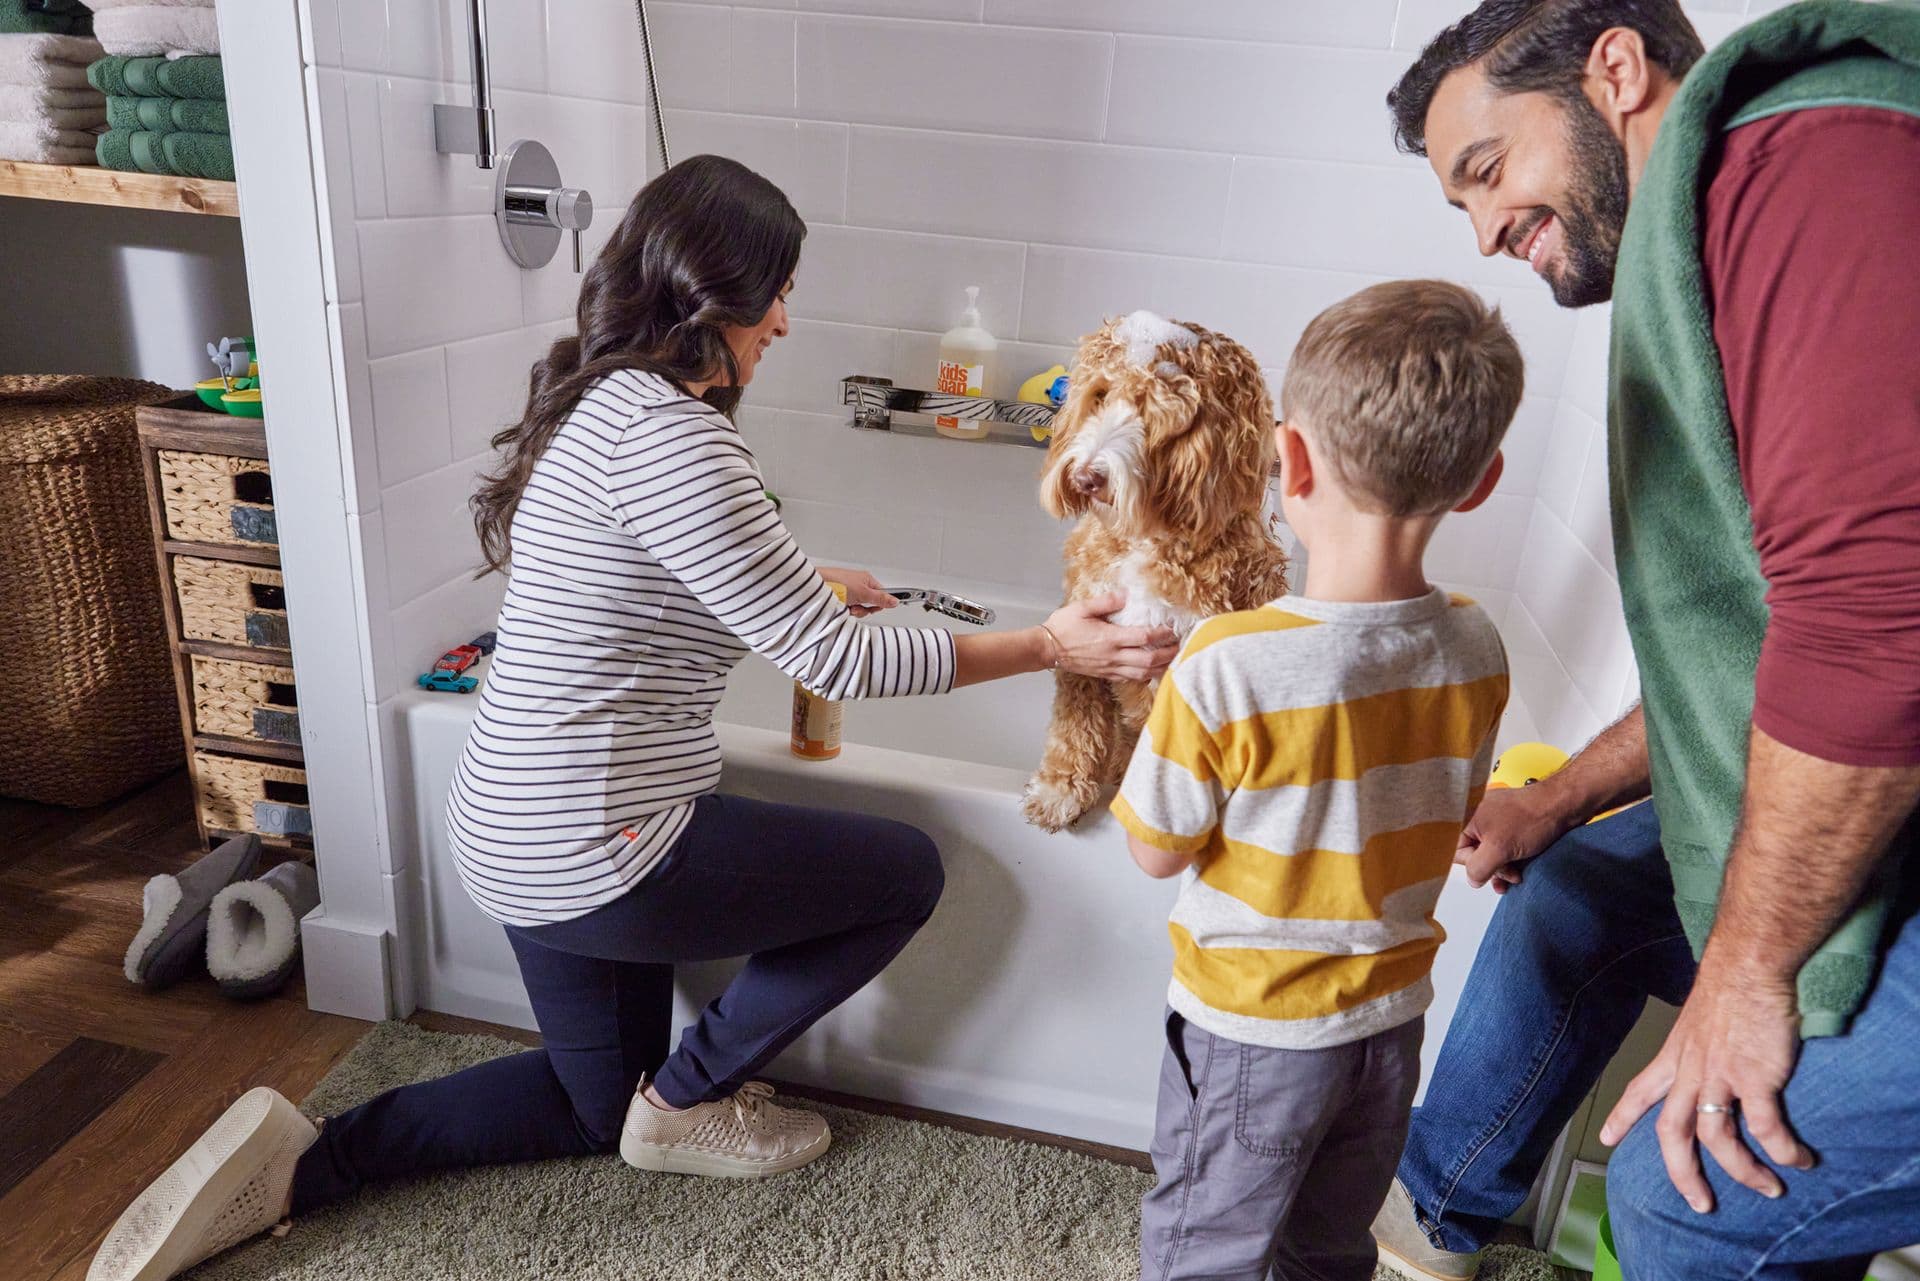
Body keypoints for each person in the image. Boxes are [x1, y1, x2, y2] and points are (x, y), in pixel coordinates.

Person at [86, 154, 1180, 1281]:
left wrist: (802, 573)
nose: (787, 324)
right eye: (776, 295)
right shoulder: (685, 440)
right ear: (713, 299)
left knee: (584, 1105)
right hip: (598, 845)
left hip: (507, 831)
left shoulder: (606, 404)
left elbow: (673, 573)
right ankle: (691, 1094)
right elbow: (838, 658)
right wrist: (1053, 644)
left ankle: (305, 1162)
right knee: (904, 872)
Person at [1369, 3, 1920, 1279]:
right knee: (1574, 892)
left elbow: (1872, 637)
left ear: (1615, 70)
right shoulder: (1716, 231)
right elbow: (1748, 654)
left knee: (1684, 1204)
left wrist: (1744, 977)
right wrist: (1557, 797)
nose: (1490, 235)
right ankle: (1428, 1230)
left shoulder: (1816, 170)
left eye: (1489, 173)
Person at [1113, 279, 1523, 1281]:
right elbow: (1455, 808)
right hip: (1388, 1021)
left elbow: (1154, 847)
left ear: (1287, 461)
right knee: (1328, 1242)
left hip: (1256, 1026)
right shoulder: (1475, 643)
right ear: (1481, 481)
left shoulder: (1226, 661)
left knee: (1205, 1240)